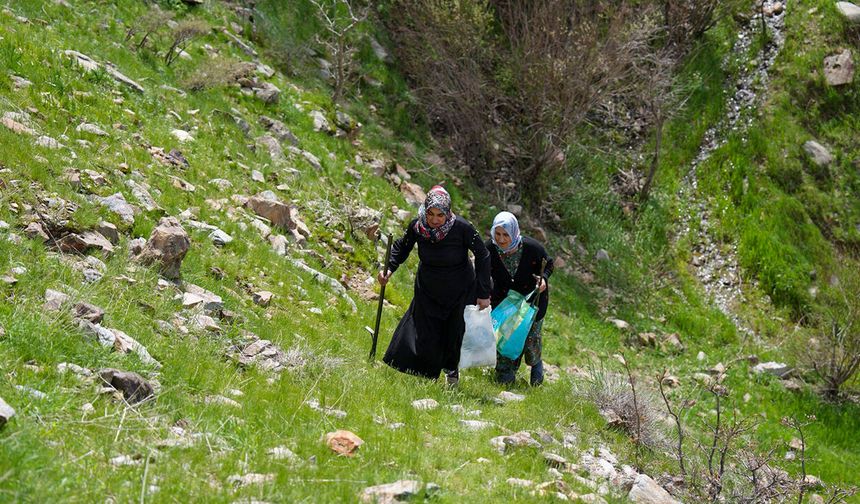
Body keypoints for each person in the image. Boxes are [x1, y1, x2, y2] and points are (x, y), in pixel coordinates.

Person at [378, 185, 491, 385]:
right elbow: (402, 247)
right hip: (428, 287)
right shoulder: (418, 227)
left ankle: (451, 371)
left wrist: (483, 293)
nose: (435, 219)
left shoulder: (462, 228)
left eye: (440, 215)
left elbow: (482, 254)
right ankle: (426, 375)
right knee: (426, 330)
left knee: (453, 332)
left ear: (448, 213)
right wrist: (389, 268)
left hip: (459, 288)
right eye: (431, 214)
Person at [486, 211, 554, 386]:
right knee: (506, 338)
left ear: (514, 233)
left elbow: (549, 263)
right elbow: (481, 271)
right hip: (505, 303)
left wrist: (544, 279)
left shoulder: (532, 248)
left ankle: (536, 369)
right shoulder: (490, 249)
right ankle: (505, 375)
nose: (501, 239)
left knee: (531, 340)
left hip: (532, 303)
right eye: (497, 234)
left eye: (505, 235)